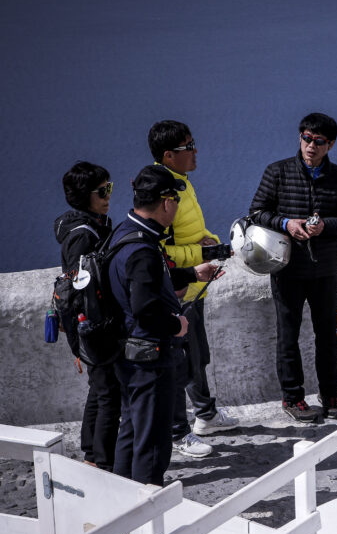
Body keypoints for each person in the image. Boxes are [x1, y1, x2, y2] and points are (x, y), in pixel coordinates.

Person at [107, 165, 220, 485]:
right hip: (149, 358)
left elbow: (148, 282)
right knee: (153, 445)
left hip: (128, 356)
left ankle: (120, 512)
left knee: (131, 434)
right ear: (167, 201)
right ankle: (145, 519)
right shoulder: (143, 249)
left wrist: (191, 274)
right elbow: (145, 309)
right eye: (176, 201)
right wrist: (176, 326)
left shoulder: (126, 232)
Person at [249, 112, 337, 421]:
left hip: (324, 268)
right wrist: (286, 223)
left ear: (330, 144)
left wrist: (324, 226)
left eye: (319, 141)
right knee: (288, 335)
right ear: (300, 137)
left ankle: (331, 394)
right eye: (306, 138)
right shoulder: (277, 172)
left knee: (327, 335)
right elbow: (256, 212)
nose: (311, 145)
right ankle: (292, 398)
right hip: (287, 268)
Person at [149, 120, 237, 454]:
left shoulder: (182, 182)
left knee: (197, 355)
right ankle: (177, 432)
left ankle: (206, 413)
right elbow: (157, 249)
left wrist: (211, 244)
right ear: (169, 155)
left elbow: (188, 232)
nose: (196, 151)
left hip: (193, 286)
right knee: (177, 362)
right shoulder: (162, 190)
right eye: (189, 146)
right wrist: (203, 254)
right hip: (176, 289)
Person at [53, 162, 120, 470]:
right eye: (102, 191)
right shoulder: (83, 234)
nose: (109, 195)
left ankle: (90, 454)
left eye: (109, 188)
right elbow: (80, 286)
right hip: (93, 324)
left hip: (89, 324)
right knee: (109, 394)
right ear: (85, 195)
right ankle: (101, 462)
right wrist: (86, 336)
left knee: (100, 388)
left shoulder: (91, 223)